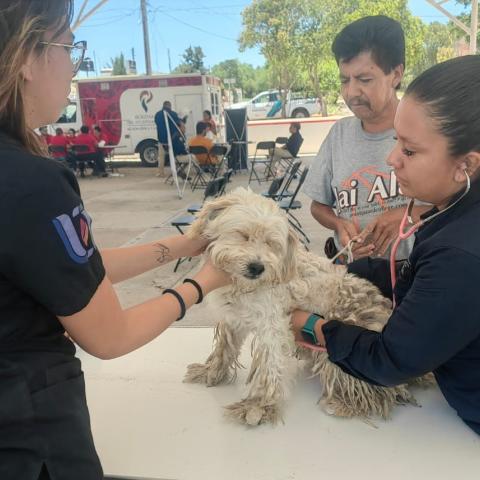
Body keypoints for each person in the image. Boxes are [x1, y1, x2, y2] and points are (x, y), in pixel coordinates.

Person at [0, 2, 230, 479]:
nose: (75, 64)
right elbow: (109, 336)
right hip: (30, 437)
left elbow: (65, 268)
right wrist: (203, 283)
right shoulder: (32, 183)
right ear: (26, 57)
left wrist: (183, 246)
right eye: (69, 47)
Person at [291, 55, 480, 436]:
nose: (392, 159)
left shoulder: (461, 255)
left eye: (409, 151)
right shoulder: (455, 214)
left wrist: (311, 326)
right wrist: (343, 272)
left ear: (467, 165)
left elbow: (391, 359)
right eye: (396, 141)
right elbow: (417, 282)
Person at [303, 16, 429, 263]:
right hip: (355, 275)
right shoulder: (338, 135)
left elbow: (458, 205)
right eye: (344, 80)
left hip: (417, 272)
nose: (351, 92)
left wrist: (408, 215)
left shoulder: (427, 128)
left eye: (364, 80)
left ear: (395, 74)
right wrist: (339, 225)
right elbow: (318, 206)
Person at [154, 100, 187, 177]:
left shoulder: (157, 114)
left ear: (163, 105)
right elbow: (178, 124)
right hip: (172, 139)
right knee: (174, 155)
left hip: (161, 139)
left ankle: (160, 172)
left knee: (161, 157)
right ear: (169, 106)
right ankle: (177, 170)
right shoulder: (173, 114)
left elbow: (157, 124)